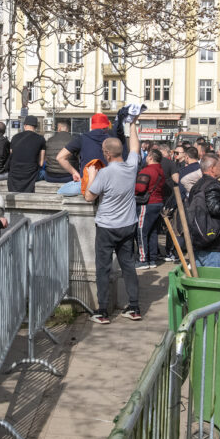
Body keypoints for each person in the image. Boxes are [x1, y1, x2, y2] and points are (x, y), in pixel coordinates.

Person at [84, 119, 142, 324]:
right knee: (128, 266)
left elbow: (90, 197)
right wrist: (133, 125)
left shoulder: (105, 173)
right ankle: (134, 307)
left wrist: (92, 175)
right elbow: (135, 147)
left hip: (107, 227)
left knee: (103, 268)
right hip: (128, 225)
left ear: (106, 153)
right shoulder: (131, 167)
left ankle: (102, 311)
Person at [185, 154, 220, 268]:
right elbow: (215, 208)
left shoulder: (197, 185)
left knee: (202, 280)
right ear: (212, 168)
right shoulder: (212, 185)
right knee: (213, 281)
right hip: (214, 243)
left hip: (200, 239)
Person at [57, 112, 116, 180]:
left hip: (87, 182)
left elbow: (60, 157)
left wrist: (74, 173)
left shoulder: (82, 138)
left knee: (63, 190)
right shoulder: (114, 141)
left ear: (92, 126)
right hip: (108, 183)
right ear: (107, 126)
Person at [134, 149, 165, 268]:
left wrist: (132, 188)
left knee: (141, 231)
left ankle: (143, 260)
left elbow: (140, 188)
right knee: (153, 232)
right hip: (158, 202)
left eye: (147, 156)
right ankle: (152, 259)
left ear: (150, 157)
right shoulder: (161, 170)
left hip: (147, 203)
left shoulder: (147, 170)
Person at [6, 116, 47, 193]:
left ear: (25, 126)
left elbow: (12, 155)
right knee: (44, 173)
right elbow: (41, 163)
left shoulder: (15, 137)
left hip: (14, 175)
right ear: (35, 127)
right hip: (30, 175)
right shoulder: (41, 139)